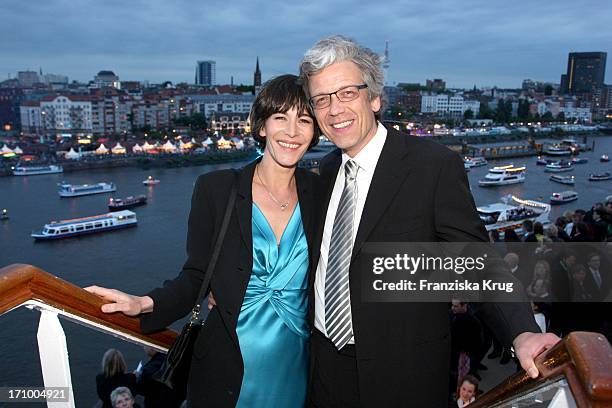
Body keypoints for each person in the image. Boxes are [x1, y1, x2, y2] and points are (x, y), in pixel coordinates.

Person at [299, 35, 560, 407]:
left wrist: (522, 332)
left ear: (374, 98)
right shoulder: (324, 172)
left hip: (403, 376)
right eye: (322, 99)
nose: (334, 109)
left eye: (346, 93)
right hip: (325, 368)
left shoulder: (432, 166)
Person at [86, 74, 320, 407]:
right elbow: (197, 275)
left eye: (304, 120)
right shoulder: (217, 189)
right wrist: (143, 303)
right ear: (262, 126)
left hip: (296, 363)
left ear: (314, 131)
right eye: (280, 117)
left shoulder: (320, 193)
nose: (292, 131)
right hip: (228, 361)